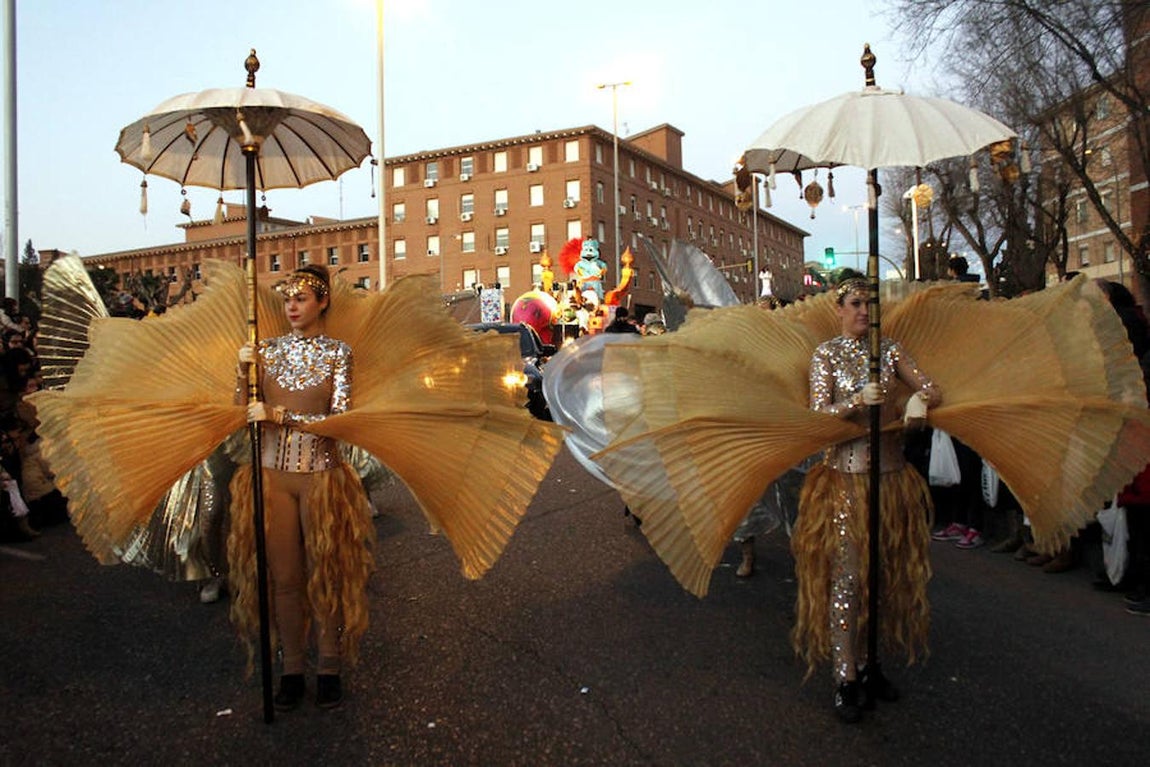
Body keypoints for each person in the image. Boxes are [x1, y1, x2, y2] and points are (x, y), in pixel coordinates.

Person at [791, 277, 940, 723]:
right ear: (839, 309)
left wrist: (918, 401)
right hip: (846, 482)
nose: (863, 312)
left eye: (869, 304)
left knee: (882, 576)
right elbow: (818, 416)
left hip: (891, 482)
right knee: (848, 578)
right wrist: (856, 400)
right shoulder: (826, 355)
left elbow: (931, 387)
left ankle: (871, 664)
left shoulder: (890, 351)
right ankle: (846, 676)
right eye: (856, 303)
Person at [230, 264, 375, 711]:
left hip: (321, 478)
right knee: (285, 579)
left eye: (301, 298)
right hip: (270, 477)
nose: (291, 306)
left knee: (325, 574)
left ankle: (328, 667)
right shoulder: (265, 351)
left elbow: (340, 420)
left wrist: (281, 416)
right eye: (287, 298)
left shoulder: (338, 353)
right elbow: (240, 414)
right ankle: (292, 668)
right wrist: (241, 372)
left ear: (322, 302)